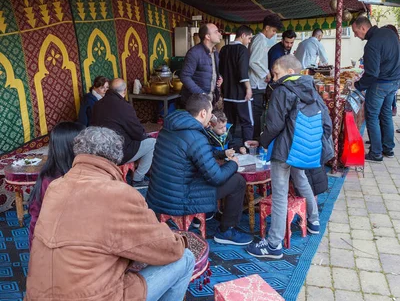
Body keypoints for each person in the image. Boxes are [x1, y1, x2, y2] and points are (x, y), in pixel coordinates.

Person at [23, 126, 194, 301]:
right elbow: (168, 249)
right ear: (117, 160)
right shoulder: (118, 194)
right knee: (185, 258)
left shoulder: (56, 187)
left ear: (78, 152)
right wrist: (177, 239)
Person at [247, 55, 333, 260]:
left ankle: (273, 244)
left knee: (279, 194)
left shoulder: (282, 91)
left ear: (290, 72)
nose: (273, 77)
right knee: (302, 180)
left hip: (284, 150)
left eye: (276, 73)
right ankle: (313, 221)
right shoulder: (312, 89)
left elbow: (274, 125)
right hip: (303, 149)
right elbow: (327, 123)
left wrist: (263, 141)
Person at [146, 94, 251, 246]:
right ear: (203, 113)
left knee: (213, 170)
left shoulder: (171, 126)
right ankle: (226, 230)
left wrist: (221, 154)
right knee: (237, 181)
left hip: (159, 193)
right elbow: (216, 177)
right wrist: (233, 164)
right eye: (210, 113)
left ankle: (203, 216)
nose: (212, 116)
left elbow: (193, 154)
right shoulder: (195, 136)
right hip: (179, 198)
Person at [28, 121, 84, 249]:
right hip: (59, 244)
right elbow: (37, 219)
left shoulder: (48, 176)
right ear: (71, 147)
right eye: (82, 143)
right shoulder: (52, 180)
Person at [91, 78, 156, 186]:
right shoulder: (124, 107)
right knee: (152, 143)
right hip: (118, 153)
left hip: (99, 150)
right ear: (125, 91)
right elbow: (138, 133)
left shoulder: (97, 104)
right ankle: (138, 179)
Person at [352, 17, 400, 161]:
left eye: (355, 32)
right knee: (385, 114)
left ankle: (376, 153)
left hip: (381, 83)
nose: (355, 35)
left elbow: (372, 73)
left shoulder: (372, 44)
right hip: (394, 81)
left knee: (372, 116)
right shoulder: (389, 34)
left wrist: (358, 86)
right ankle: (388, 149)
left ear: (363, 28)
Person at [249, 13, 284, 140]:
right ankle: (255, 140)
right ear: (267, 27)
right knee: (256, 114)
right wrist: (266, 73)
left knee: (258, 113)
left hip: (259, 82)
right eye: (273, 30)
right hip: (256, 83)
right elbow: (253, 61)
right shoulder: (260, 39)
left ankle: (256, 138)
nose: (274, 33)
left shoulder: (261, 39)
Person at [219, 25, 254, 146]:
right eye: (249, 38)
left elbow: (220, 70)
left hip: (227, 93)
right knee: (247, 122)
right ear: (243, 35)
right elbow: (242, 71)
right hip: (240, 94)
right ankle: (248, 147)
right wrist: (248, 88)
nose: (249, 41)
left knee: (228, 123)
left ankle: (228, 147)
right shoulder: (243, 50)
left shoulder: (224, 49)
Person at [180, 23, 223, 104]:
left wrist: (219, 77)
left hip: (210, 99)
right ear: (208, 36)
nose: (219, 34)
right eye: (216, 32)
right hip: (195, 101)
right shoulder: (194, 53)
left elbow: (211, 71)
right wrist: (201, 94)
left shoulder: (215, 52)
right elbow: (184, 76)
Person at [384, 25, 399, 116]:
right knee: (386, 111)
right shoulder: (396, 44)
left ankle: (394, 107)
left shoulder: (392, 45)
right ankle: (393, 107)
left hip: (391, 78)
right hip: (395, 78)